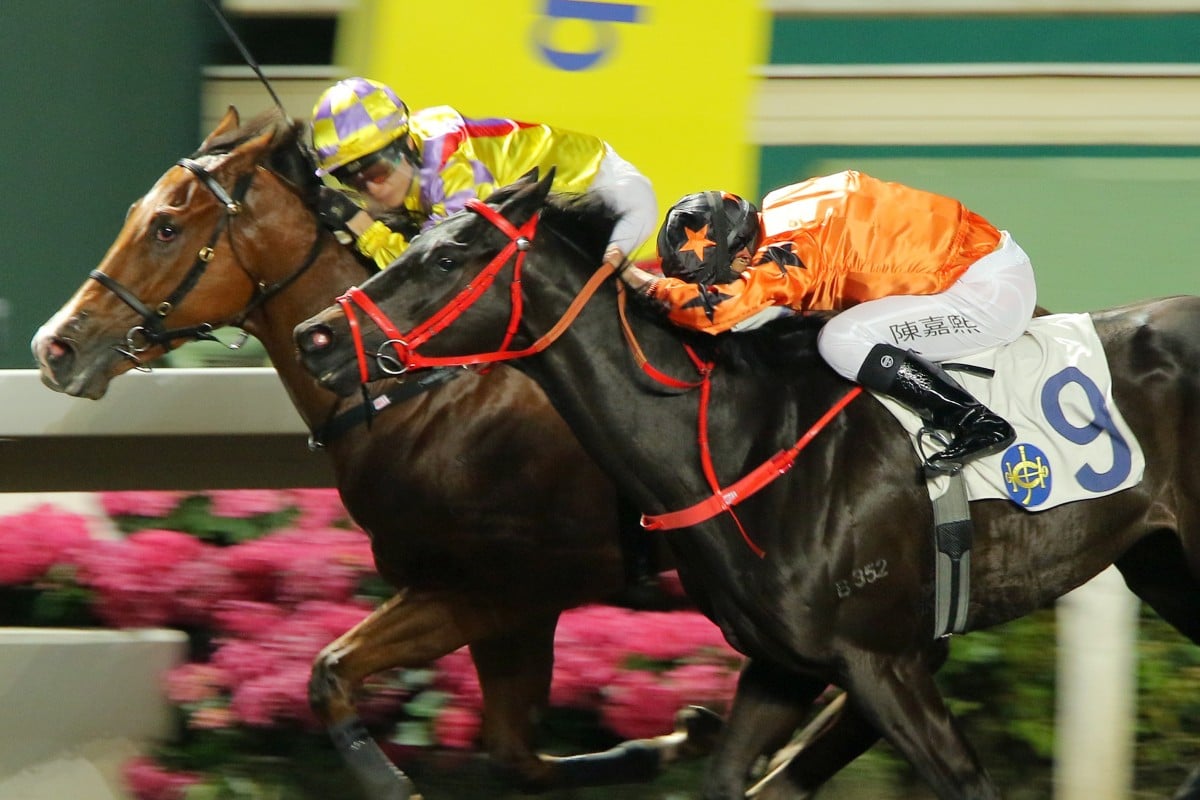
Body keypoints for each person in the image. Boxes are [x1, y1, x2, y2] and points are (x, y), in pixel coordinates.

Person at [620, 170, 1038, 475]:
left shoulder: (794, 247)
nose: (723, 284)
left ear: (742, 257)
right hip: (978, 260)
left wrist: (639, 280)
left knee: (841, 339)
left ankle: (974, 422)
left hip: (986, 295)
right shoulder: (785, 204)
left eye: (720, 278)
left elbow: (717, 311)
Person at [309, 77, 658, 271]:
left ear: (408, 146)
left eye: (376, 171)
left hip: (616, 200)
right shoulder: (416, 151)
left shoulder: (453, 171)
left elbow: (430, 272)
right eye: (351, 180)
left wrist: (364, 228)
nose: (370, 189)